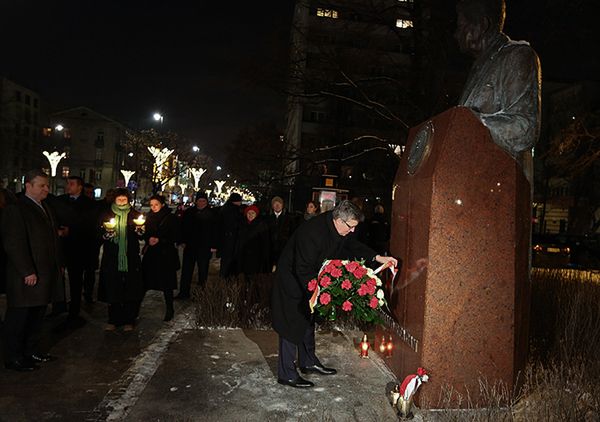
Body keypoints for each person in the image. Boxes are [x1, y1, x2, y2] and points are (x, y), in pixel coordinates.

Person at [271, 200, 397, 388]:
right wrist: (319, 290)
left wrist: (377, 257)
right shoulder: (312, 232)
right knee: (292, 322)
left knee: (308, 319)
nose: (353, 231)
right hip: (293, 279)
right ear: (339, 220)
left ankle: (308, 362)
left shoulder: (339, 227)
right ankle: (286, 374)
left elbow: (352, 245)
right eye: (351, 226)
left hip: (311, 275)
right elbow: (302, 268)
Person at [455, 0, 541, 184]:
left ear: (483, 25)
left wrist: (468, 126)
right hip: (474, 184)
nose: (456, 34)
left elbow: (525, 128)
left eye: (461, 26)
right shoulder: (478, 69)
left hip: (501, 188)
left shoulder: (516, 56)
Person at [1, 170, 63, 371]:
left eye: (46, 185)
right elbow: (14, 243)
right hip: (26, 277)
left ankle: (31, 351)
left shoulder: (44, 207)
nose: (46, 189)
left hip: (44, 274)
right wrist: (27, 271)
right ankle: (13, 357)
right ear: (28, 186)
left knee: (36, 317)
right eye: (42, 186)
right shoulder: (17, 208)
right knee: (19, 319)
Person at [98, 188, 144, 332]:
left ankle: (129, 320)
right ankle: (113, 319)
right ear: (115, 200)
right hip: (112, 258)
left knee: (130, 289)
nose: (122, 202)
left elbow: (142, 234)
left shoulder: (135, 214)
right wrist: (107, 234)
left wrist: (140, 231)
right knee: (113, 288)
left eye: (124, 200)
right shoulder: (107, 214)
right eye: (119, 200)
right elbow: (98, 233)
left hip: (130, 258)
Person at [57, 176, 97, 322]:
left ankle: (74, 310)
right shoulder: (61, 200)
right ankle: (58, 305)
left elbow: (90, 225)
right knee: (57, 277)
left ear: (80, 187)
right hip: (61, 246)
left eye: (71, 184)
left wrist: (71, 230)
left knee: (75, 280)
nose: (68, 186)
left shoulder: (89, 204)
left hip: (78, 248)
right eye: (67, 183)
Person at [142, 195, 180, 321]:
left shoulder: (171, 217)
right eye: (151, 205)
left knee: (166, 284)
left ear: (162, 204)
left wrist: (160, 240)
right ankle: (135, 309)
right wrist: (148, 238)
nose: (153, 207)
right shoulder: (149, 217)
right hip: (152, 254)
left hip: (165, 254)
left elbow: (175, 235)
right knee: (144, 281)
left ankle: (170, 309)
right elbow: (145, 233)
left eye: (156, 204)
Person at [178, 191, 217, 299]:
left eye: (204, 201)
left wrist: (214, 245)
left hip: (204, 247)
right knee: (186, 271)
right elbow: (183, 227)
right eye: (200, 200)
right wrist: (182, 241)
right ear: (196, 201)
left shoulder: (212, 214)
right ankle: (184, 293)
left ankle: (200, 294)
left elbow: (215, 231)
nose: (202, 203)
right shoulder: (189, 212)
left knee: (203, 272)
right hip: (190, 246)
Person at [235, 205, 270, 278]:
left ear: (256, 214)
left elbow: (265, 242)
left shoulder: (261, 225)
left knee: (254, 277)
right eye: (249, 213)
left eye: (253, 213)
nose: (250, 215)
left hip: (256, 256)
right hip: (243, 255)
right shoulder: (242, 224)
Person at [217, 192, 243, 278]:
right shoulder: (233, 210)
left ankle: (224, 281)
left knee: (225, 264)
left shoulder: (225, 209)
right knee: (228, 264)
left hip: (226, 242)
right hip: (230, 242)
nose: (241, 203)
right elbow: (235, 225)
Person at [267, 196, 294, 270]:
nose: (277, 205)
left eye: (279, 203)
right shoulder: (267, 218)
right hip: (270, 249)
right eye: (275, 204)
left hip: (284, 248)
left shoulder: (289, 218)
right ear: (272, 206)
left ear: (282, 205)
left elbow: (292, 234)